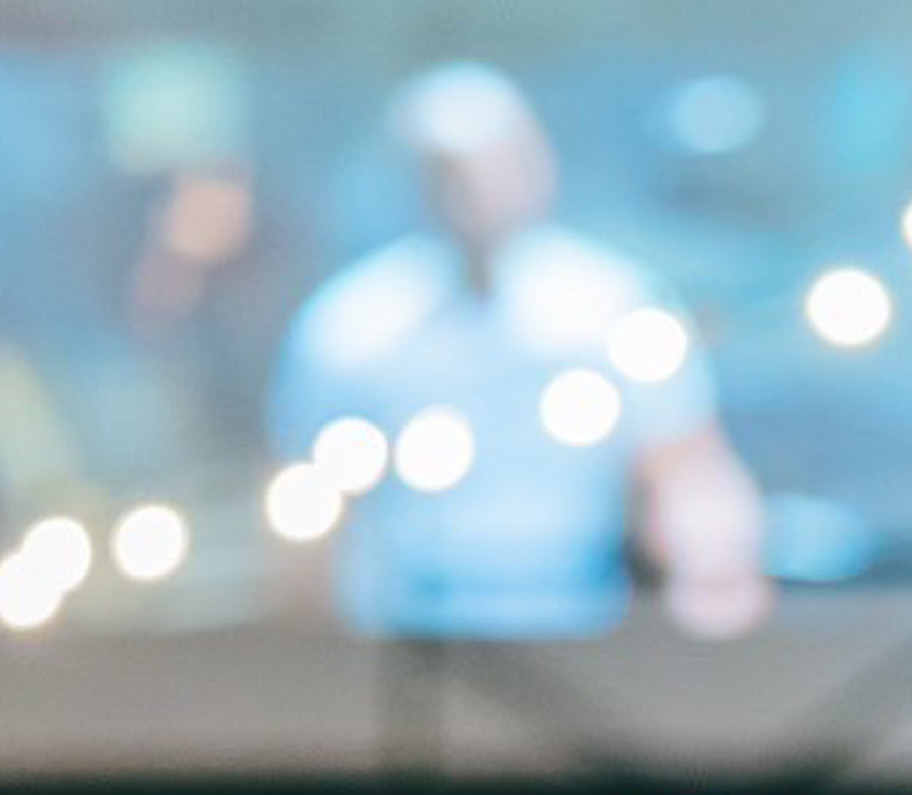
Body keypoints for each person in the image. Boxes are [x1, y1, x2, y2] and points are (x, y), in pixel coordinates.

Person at [271, 63, 766, 637]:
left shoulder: (609, 305)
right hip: (402, 629)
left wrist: (715, 569)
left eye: (492, 167)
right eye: (447, 174)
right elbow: (308, 507)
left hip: (578, 619)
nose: (474, 193)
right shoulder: (352, 328)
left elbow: (686, 465)